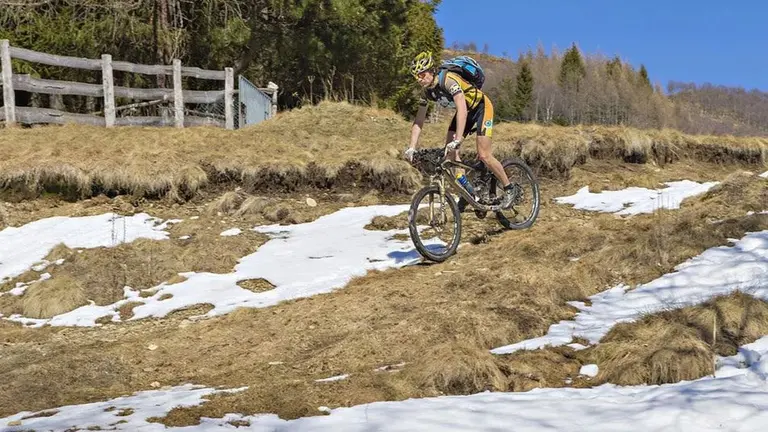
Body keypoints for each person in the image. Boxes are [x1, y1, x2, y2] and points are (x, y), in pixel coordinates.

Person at [404, 51, 517, 209]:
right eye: (416, 76)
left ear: (431, 70)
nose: (419, 79)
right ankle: (469, 192)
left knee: (484, 155)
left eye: (422, 75)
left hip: (481, 108)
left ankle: (509, 188)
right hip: (465, 113)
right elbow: (419, 120)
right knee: (450, 156)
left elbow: (462, 108)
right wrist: (411, 147)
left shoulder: (448, 80)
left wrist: (458, 140)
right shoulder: (426, 92)